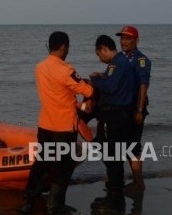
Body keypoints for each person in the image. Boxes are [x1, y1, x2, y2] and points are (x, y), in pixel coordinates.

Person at [18, 31, 93, 214]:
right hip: (64, 128)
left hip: (45, 125)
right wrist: (87, 86)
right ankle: (55, 205)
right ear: (64, 47)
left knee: (41, 164)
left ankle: (28, 201)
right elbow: (88, 91)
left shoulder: (39, 68)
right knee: (63, 168)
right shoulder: (66, 70)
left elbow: (57, 91)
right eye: (68, 47)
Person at [88, 35, 137, 213]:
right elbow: (113, 83)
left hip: (114, 117)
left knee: (112, 157)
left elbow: (111, 88)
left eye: (99, 54)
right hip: (119, 117)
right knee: (106, 151)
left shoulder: (118, 64)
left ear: (104, 49)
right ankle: (113, 191)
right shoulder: (118, 64)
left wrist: (94, 79)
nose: (99, 58)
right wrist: (103, 76)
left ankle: (115, 198)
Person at [116, 26, 151, 192]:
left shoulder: (141, 60)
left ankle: (139, 183)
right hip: (125, 109)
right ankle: (136, 182)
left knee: (134, 145)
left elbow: (144, 86)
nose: (123, 41)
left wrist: (139, 110)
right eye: (122, 38)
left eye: (128, 38)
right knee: (128, 145)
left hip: (135, 108)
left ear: (136, 40)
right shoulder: (123, 58)